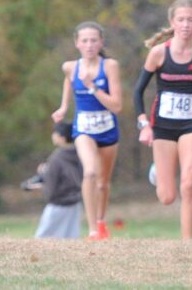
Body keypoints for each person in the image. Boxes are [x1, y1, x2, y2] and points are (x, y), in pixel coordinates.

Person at [133, 0, 192, 240]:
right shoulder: (158, 54)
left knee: (188, 184)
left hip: (190, 126)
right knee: (167, 197)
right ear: (172, 22)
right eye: (181, 19)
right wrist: (144, 125)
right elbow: (138, 92)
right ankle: (158, 171)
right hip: (161, 127)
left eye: (190, 20)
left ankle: (187, 243)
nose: (186, 24)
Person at [51, 21, 122, 240]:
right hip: (83, 129)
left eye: (93, 40)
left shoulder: (110, 66)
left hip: (108, 130)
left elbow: (117, 106)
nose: (89, 45)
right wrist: (64, 106)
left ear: (101, 42)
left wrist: (93, 87)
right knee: (89, 172)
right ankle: (92, 230)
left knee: (102, 182)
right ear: (77, 43)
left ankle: (101, 223)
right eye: (84, 41)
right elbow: (68, 81)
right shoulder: (70, 67)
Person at [33, 122, 84, 239]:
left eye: (54, 133)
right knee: (71, 238)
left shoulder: (57, 158)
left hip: (57, 204)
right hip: (75, 202)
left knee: (42, 237)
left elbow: (52, 184)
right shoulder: (80, 154)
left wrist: (43, 178)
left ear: (61, 137)